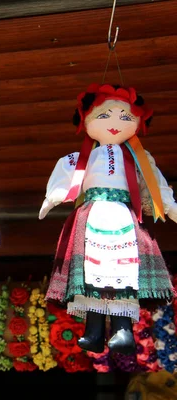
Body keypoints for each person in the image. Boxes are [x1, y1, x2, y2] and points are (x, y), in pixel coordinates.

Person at [40, 84, 177, 354]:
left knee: (122, 271)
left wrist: (172, 208)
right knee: (92, 273)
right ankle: (93, 330)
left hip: (123, 218)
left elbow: (158, 187)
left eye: (125, 117)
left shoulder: (140, 159)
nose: (115, 124)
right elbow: (63, 177)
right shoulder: (81, 158)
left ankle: (122, 329)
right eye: (105, 116)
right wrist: (51, 199)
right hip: (91, 216)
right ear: (87, 121)